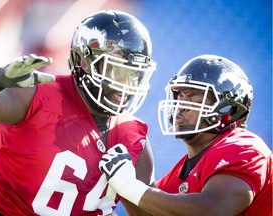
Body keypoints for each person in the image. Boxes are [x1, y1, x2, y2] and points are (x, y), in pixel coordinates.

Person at [0, 10, 157, 216]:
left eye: (134, 75)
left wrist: (132, 188)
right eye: (116, 71)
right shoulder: (37, 95)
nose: (125, 86)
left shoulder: (133, 136)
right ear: (82, 61)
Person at [99, 54, 273, 216]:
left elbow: (213, 209)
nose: (180, 105)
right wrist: (127, 167)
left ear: (229, 108)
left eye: (192, 96)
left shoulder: (245, 148)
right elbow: (154, 211)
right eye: (179, 96)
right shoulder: (178, 175)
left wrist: (130, 187)